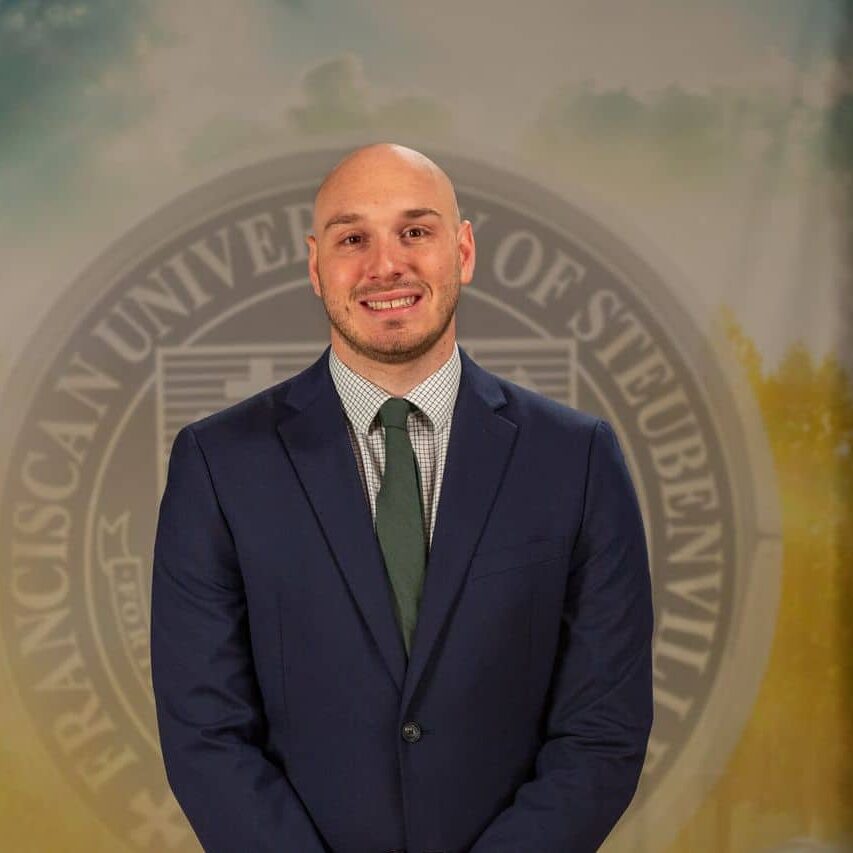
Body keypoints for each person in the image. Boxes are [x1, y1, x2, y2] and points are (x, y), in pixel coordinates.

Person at [151, 143, 654, 853]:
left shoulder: (575, 458)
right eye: (352, 238)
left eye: (414, 231)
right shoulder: (217, 464)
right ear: (314, 265)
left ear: (464, 249)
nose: (384, 264)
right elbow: (205, 733)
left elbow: (602, 731)